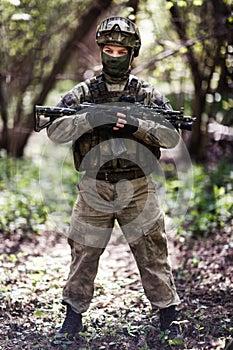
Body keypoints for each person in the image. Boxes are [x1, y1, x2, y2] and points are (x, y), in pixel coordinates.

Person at [47, 16, 181, 340]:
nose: (114, 55)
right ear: (101, 51)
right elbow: (54, 129)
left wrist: (137, 126)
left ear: (132, 53)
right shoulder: (83, 92)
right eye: (108, 48)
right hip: (95, 186)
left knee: (152, 251)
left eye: (121, 50)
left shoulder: (146, 93)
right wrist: (89, 119)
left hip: (137, 187)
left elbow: (172, 135)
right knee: (84, 251)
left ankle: (168, 314)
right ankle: (72, 316)